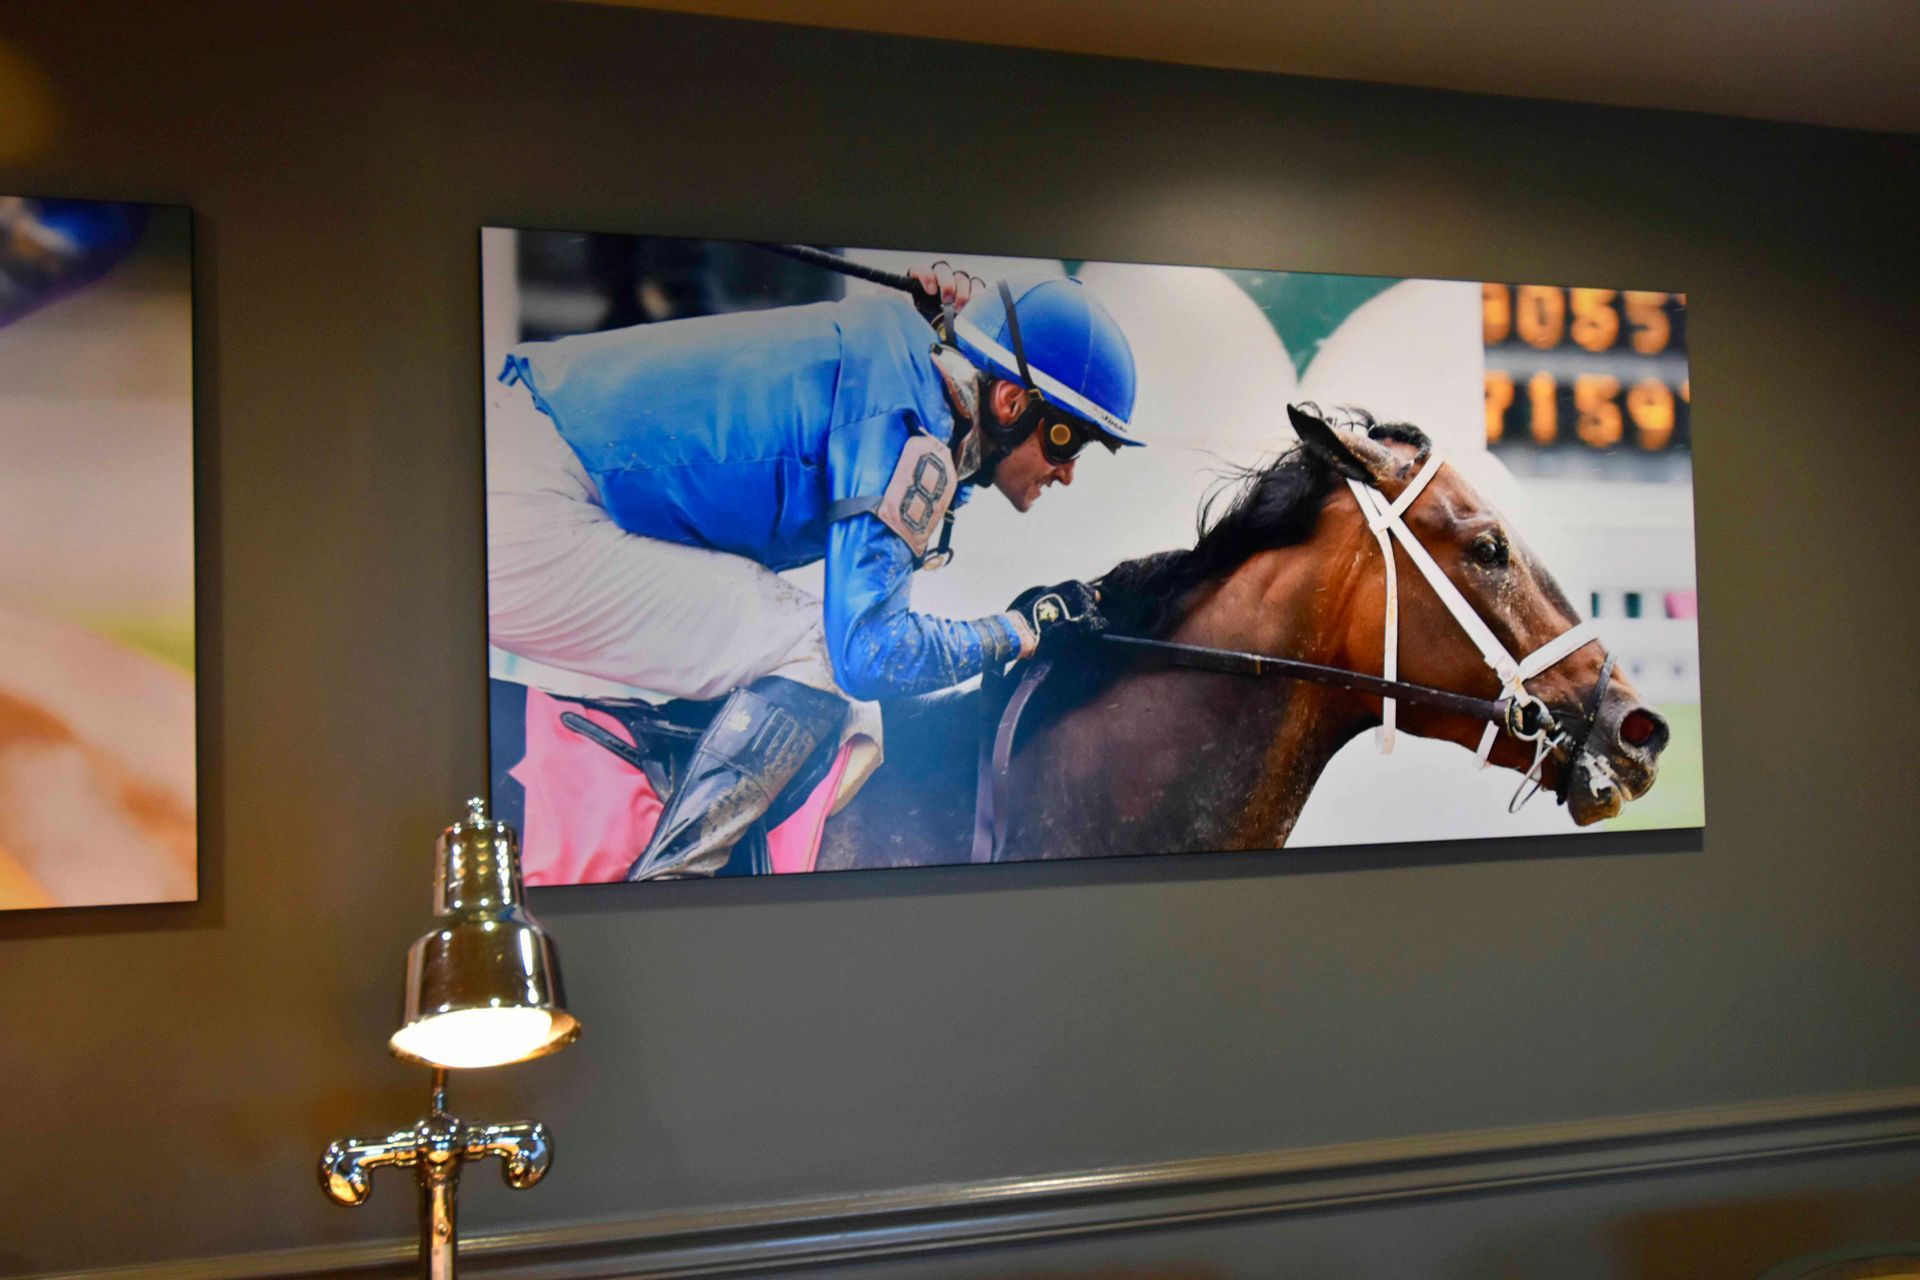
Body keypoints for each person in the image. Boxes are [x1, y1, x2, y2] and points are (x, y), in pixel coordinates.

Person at [486, 259, 1142, 881]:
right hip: (532, 501)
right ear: (1009, 400)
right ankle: (671, 882)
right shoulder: (909, 417)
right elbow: (868, 653)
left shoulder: (915, 378)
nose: (1068, 471)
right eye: (1068, 439)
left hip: (528, 445)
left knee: (803, 647)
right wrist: (1021, 630)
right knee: (819, 651)